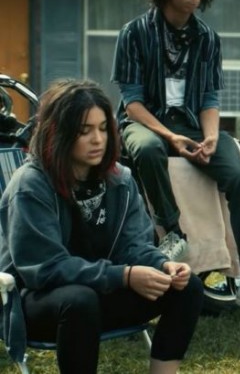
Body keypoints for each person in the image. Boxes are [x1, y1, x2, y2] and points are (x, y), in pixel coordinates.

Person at [111, 0, 240, 320]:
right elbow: (132, 103)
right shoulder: (134, 33)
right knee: (149, 150)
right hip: (145, 122)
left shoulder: (207, 38)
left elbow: (209, 98)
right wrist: (170, 137)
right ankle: (174, 233)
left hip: (193, 123)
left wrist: (211, 136)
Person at [0, 80, 204, 374]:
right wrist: (124, 276)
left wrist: (162, 265)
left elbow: (133, 245)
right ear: (58, 133)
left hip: (101, 291)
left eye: (103, 128)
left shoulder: (120, 180)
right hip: (35, 302)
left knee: (187, 287)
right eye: (84, 131)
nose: (97, 139)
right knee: (79, 300)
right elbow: (44, 269)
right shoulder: (31, 185)